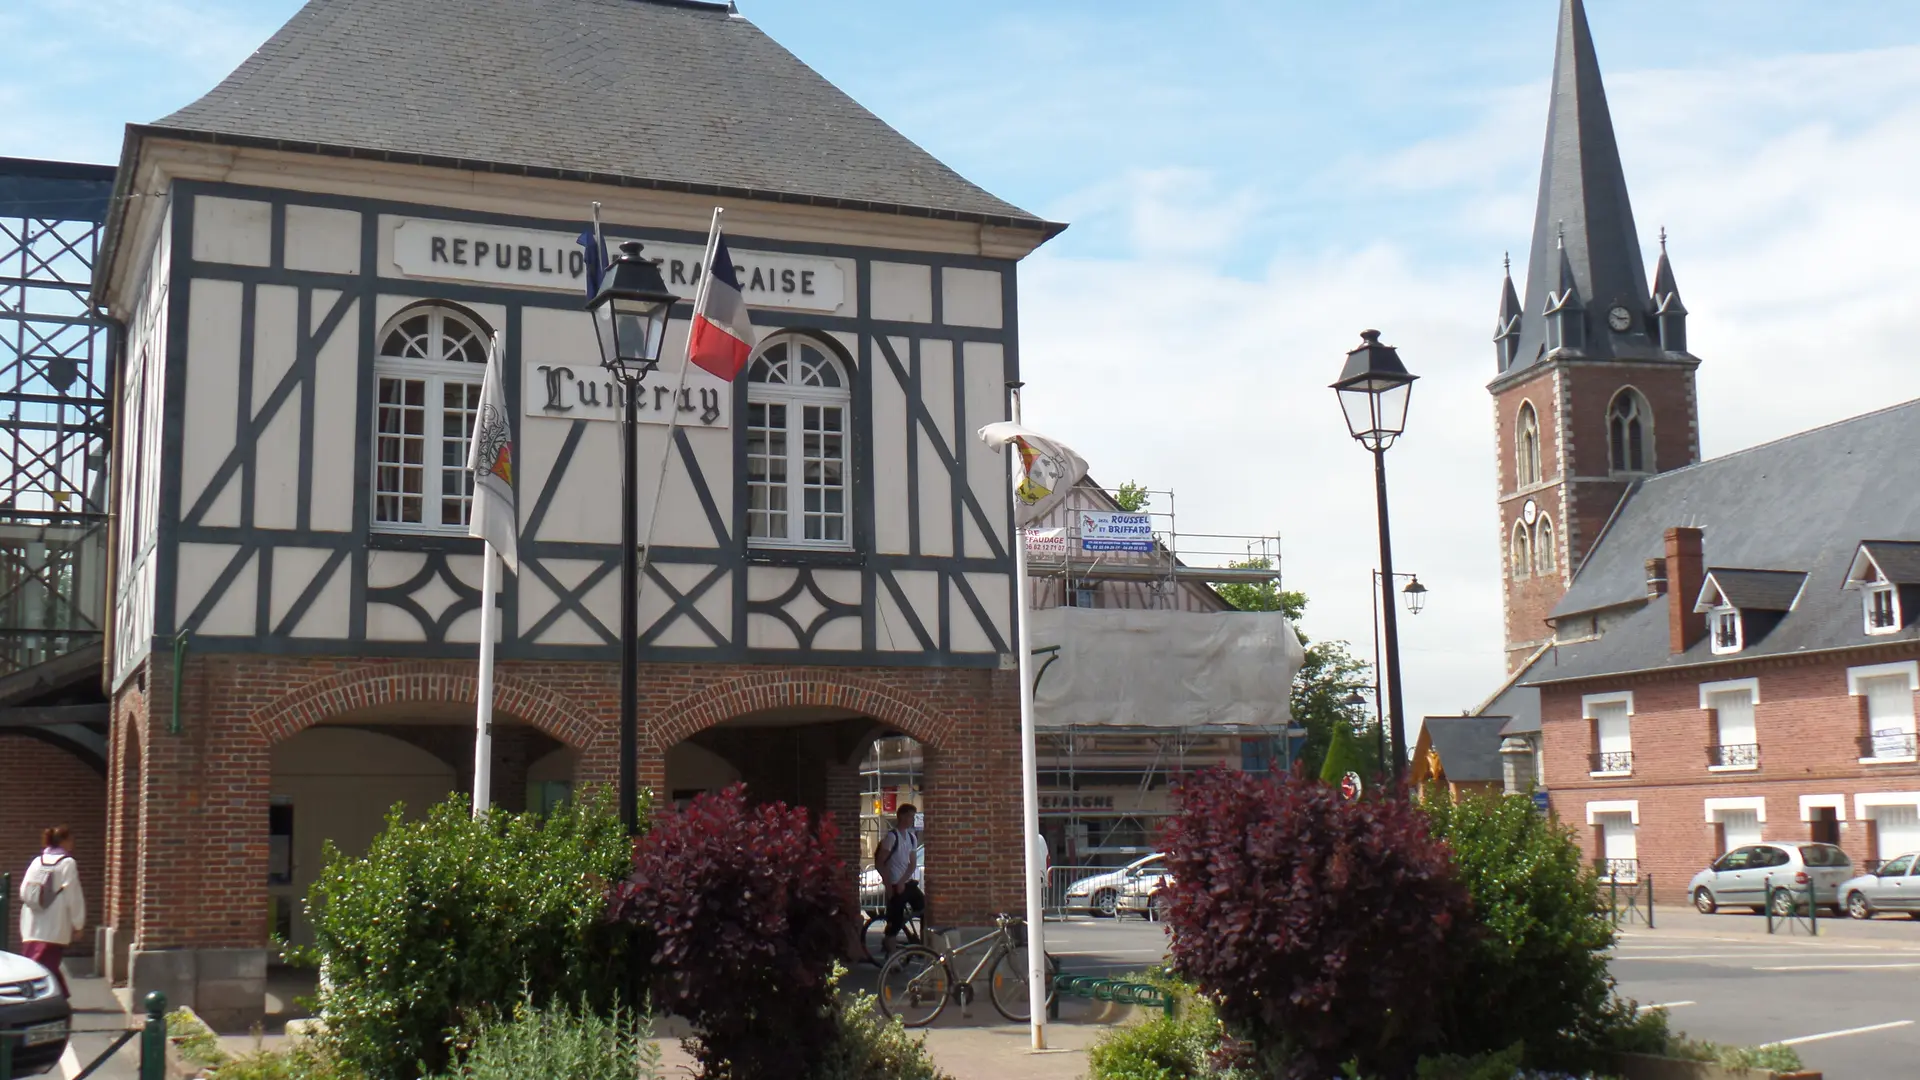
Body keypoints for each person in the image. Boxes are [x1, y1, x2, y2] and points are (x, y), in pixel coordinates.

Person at [19, 825, 84, 998]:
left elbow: (23, 890)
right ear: (63, 841)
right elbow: (73, 895)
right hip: (55, 922)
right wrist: (78, 923)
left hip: (32, 921)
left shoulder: (36, 861)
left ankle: (60, 995)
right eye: (70, 839)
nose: (73, 843)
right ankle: (51, 998)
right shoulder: (67, 863)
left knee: (39, 962)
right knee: (45, 965)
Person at [873, 803, 922, 952]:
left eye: (912, 817)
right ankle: (892, 956)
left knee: (924, 908)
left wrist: (903, 881)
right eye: (908, 816)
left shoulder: (912, 838)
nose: (910, 820)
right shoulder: (892, 837)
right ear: (900, 816)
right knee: (895, 922)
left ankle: (922, 945)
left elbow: (912, 864)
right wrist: (889, 886)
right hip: (894, 883)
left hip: (906, 883)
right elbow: (880, 863)